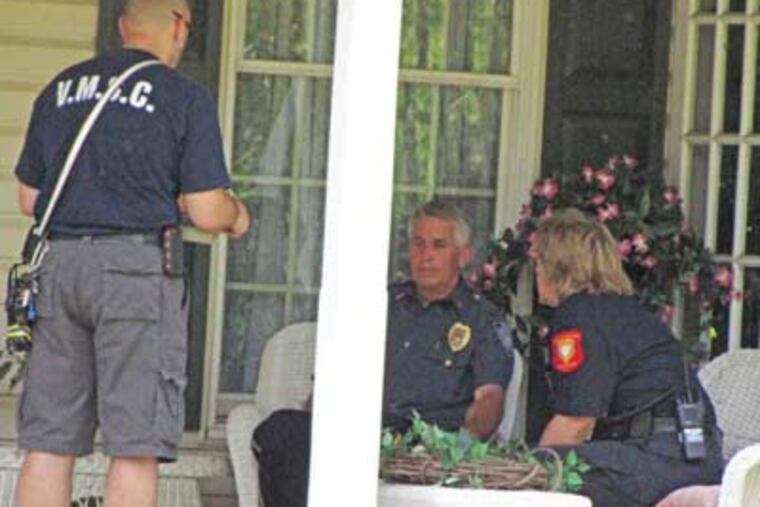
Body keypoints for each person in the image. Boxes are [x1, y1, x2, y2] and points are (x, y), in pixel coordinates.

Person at [12, 1, 251, 506]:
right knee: (135, 443)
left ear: (123, 26)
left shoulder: (61, 88)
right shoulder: (183, 96)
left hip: (59, 267)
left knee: (49, 439)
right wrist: (237, 216)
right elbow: (207, 210)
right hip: (134, 275)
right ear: (180, 26)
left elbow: (30, 199)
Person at [253, 199, 513, 507]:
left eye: (439, 245)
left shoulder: (482, 319)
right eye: (418, 244)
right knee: (281, 430)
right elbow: (337, 375)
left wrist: (455, 451)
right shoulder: (380, 304)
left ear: (464, 255)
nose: (426, 256)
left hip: (423, 442)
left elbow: (489, 401)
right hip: (359, 431)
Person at [532, 209, 722, 507]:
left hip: (655, 462)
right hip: (698, 459)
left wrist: (530, 475)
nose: (536, 272)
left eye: (538, 262)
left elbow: (575, 420)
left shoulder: (579, 314)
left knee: (539, 467)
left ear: (557, 267)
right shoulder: (625, 311)